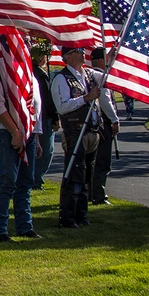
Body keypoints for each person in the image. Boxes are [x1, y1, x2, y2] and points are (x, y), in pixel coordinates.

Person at [0, 57, 44, 242]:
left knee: (26, 182)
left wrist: (35, 135)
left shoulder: (27, 68)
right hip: (7, 132)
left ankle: (25, 226)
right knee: (7, 181)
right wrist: (15, 131)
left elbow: (33, 105)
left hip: (29, 133)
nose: (27, 44)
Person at [51, 46, 101, 228]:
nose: (82, 54)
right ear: (69, 56)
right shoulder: (61, 79)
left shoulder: (87, 74)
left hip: (91, 131)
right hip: (75, 132)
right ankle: (68, 217)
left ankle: (82, 215)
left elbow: (107, 77)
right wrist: (86, 98)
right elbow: (62, 107)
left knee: (87, 174)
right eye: (78, 51)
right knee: (74, 174)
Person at [89, 48, 120, 205]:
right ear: (101, 61)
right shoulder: (101, 77)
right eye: (108, 58)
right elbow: (105, 101)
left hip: (93, 124)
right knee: (102, 162)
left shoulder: (88, 75)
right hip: (103, 123)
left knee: (91, 161)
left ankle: (90, 192)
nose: (110, 61)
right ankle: (99, 195)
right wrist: (115, 120)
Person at [32, 49, 60, 190]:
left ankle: (33, 177)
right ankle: (37, 179)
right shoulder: (41, 76)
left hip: (35, 116)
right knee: (45, 150)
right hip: (44, 117)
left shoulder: (30, 72)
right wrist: (55, 117)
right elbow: (48, 100)